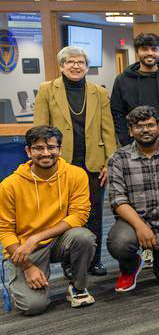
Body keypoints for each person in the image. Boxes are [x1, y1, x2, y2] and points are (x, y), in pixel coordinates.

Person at [34, 46, 116, 276]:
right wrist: (42, 158)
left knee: (94, 213)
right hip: (60, 163)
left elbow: (107, 130)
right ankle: (70, 263)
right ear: (61, 66)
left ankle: (95, 260)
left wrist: (110, 162)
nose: (76, 66)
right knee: (64, 214)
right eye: (70, 62)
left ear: (87, 67)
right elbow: (40, 129)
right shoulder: (47, 90)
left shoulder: (98, 92)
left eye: (81, 62)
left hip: (93, 164)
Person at [0, 126, 97, 313]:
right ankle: (21, 276)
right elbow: (4, 230)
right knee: (32, 306)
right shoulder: (9, 186)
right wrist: (27, 266)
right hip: (26, 249)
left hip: (59, 240)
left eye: (51, 147)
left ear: (59, 150)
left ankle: (77, 286)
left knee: (84, 237)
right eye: (38, 148)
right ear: (28, 151)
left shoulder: (76, 174)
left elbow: (80, 215)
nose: (46, 153)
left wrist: (36, 237)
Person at [106, 106, 159, 290]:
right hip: (134, 222)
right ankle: (130, 266)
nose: (145, 130)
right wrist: (140, 227)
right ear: (131, 131)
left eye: (150, 125)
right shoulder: (119, 158)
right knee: (120, 243)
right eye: (139, 126)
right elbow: (117, 200)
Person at [111, 33, 159, 147]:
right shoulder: (122, 80)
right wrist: (127, 142)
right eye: (144, 49)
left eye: (154, 49)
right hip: (136, 146)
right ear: (137, 51)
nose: (150, 53)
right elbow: (117, 115)